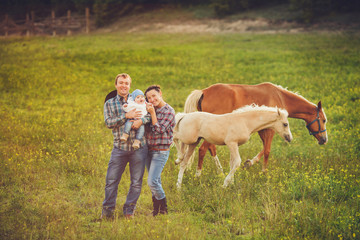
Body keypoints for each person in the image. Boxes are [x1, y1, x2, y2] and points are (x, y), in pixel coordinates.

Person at [102, 73, 149, 220]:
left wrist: (141, 121)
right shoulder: (109, 103)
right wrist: (126, 117)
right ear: (116, 85)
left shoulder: (138, 99)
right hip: (119, 148)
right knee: (111, 181)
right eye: (121, 83)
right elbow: (108, 123)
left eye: (126, 83)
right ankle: (108, 213)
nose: (124, 85)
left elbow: (149, 113)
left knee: (136, 183)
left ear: (130, 85)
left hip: (138, 148)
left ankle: (129, 211)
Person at [144, 85, 175, 216]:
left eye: (154, 96)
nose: (152, 99)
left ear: (160, 93)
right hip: (149, 150)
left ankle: (164, 208)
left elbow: (159, 130)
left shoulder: (168, 111)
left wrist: (152, 113)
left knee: (152, 181)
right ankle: (156, 210)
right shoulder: (151, 109)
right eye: (149, 98)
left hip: (161, 151)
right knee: (156, 181)